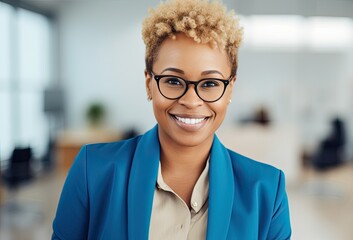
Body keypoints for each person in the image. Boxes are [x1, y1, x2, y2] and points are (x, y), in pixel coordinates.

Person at [52, 0, 292, 239]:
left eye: (210, 84)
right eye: (173, 81)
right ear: (149, 84)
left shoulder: (267, 192)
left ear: (230, 90)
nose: (191, 100)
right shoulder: (92, 171)